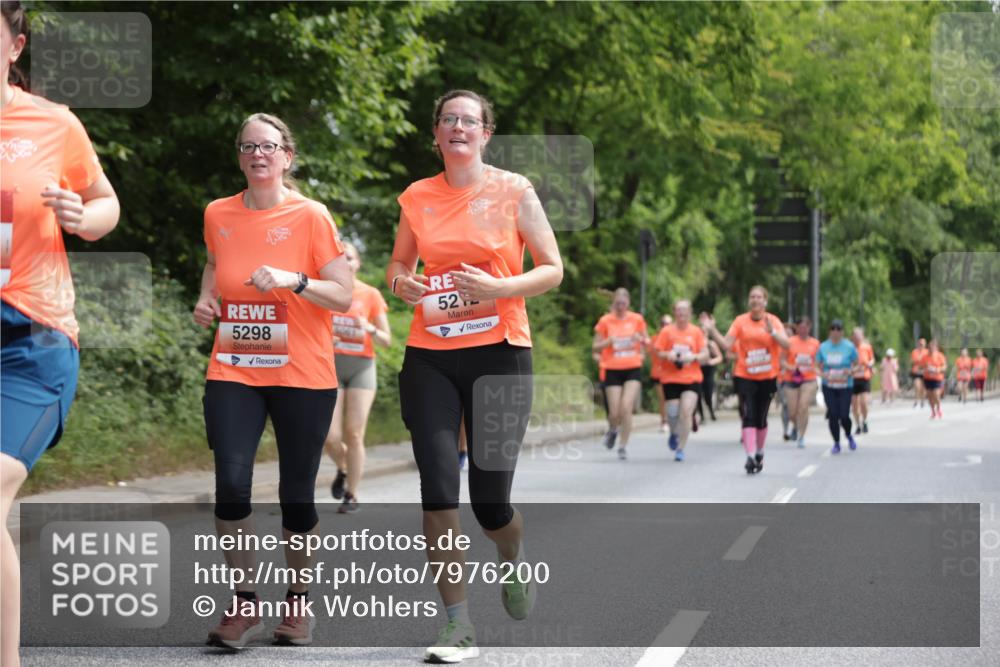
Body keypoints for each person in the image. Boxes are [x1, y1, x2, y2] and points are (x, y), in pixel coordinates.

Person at [387, 89, 563, 663]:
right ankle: (457, 625)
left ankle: (511, 559)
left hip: (500, 353)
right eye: (448, 119)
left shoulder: (514, 190)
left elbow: (552, 269)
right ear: (436, 133)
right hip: (431, 354)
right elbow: (399, 264)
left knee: (490, 505)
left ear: (486, 134)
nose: (457, 127)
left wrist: (499, 287)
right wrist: (401, 283)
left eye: (468, 120)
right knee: (438, 489)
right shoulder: (417, 196)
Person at [193, 113, 353, 648]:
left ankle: (298, 603)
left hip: (302, 373)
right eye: (247, 146)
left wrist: (295, 280)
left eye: (268, 146)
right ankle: (244, 605)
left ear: (287, 156)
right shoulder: (218, 212)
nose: (257, 154)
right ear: (239, 156)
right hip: (234, 367)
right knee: (231, 485)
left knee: (296, 496)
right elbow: (214, 263)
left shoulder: (311, 215)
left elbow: (343, 295)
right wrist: (207, 296)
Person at [1, 5, 120, 664]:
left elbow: (106, 202)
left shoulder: (53, 123)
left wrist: (84, 215)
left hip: (32, 339)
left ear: (15, 46)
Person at [324, 242, 391, 514]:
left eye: (349, 258)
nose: (345, 262)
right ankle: (343, 468)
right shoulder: (325, 291)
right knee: (329, 437)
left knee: (354, 433)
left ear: (358, 263)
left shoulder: (370, 294)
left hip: (361, 367)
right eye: (339, 258)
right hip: (330, 366)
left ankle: (352, 494)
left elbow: (386, 340)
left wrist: (370, 328)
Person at [700, 285, 790, 474]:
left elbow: (787, 344)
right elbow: (726, 345)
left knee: (761, 417)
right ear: (749, 301)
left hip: (767, 376)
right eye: (752, 297)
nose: (755, 300)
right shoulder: (740, 321)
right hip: (745, 375)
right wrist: (712, 330)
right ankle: (749, 456)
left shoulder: (772, 321)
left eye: (759, 297)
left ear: (765, 301)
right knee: (748, 414)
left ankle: (759, 451)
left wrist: (773, 332)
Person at [593, 288, 649, 460]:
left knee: (626, 407)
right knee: (614, 412)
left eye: (623, 303)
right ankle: (613, 429)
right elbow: (595, 347)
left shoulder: (637, 319)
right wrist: (608, 342)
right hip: (612, 368)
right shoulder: (605, 321)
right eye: (617, 303)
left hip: (632, 367)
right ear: (613, 303)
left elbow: (647, 342)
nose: (620, 307)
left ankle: (623, 446)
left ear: (628, 303)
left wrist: (641, 342)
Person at [654, 300, 708, 462]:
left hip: (691, 378)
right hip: (670, 378)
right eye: (678, 310)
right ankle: (673, 433)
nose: (681, 313)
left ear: (690, 313)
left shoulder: (696, 332)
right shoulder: (667, 331)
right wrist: (668, 355)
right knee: (672, 414)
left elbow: (705, 354)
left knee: (685, 412)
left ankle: (680, 448)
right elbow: (658, 351)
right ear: (674, 313)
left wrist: (694, 357)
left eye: (684, 310)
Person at [816, 319, 859, 454]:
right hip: (829, 385)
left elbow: (857, 364)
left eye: (838, 329)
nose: (835, 332)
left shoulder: (849, 347)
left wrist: (851, 371)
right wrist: (822, 374)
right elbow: (816, 366)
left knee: (844, 415)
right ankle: (836, 442)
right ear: (829, 331)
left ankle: (848, 434)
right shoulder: (823, 347)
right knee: (833, 414)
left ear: (842, 332)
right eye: (833, 329)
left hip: (845, 385)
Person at [780, 316, 820, 449]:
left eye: (806, 327)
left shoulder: (815, 344)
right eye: (801, 327)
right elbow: (781, 361)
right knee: (792, 412)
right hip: (791, 378)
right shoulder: (789, 342)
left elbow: (819, 362)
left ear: (810, 328)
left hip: (809, 378)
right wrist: (792, 368)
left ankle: (801, 436)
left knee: (803, 406)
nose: (803, 330)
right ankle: (797, 425)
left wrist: (817, 369)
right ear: (796, 328)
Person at [850, 327, 875, 434]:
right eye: (855, 336)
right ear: (852, 337)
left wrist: (869, 364)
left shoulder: (867, 347)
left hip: (864, 377)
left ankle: (864, 421)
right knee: (854, 405)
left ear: (862, 336)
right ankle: (858, 425)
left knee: (863, 403)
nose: (857, 338)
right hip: (852, 378)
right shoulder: (849, 348)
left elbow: (872, 359)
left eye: (859, 336)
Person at [650, 314, 672, 432]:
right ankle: (664, 421)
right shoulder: (654, 339)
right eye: (664, 324)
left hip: (674, 373)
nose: (666, 326)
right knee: (663, 398)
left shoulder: (675, 338)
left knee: (673, 399)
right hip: (658, 373)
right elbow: (647, 351)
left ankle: (674, 420)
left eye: (669, 324)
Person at [777, 321, 797, 441]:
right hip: (781, 379)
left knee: (794, 406)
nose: (787, 336)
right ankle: (785, 430)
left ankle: (795, 428)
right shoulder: (777, 346)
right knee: (785, 404)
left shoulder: (797, 346)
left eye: (789, 334)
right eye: (785, 334)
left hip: (795, 379)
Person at [697, 338, 723, 423]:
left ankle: (711, 410)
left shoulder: (711, 344)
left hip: (708, 371)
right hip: (698, 370)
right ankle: (701, 415)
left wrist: (711, 361)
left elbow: (719, 357)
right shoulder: (695, 342)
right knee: (698, 394)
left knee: (708, 393)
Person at [922, 339, 947, 419]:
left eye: (933, 346)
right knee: (930, 396)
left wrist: (937, 369)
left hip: (937, 378)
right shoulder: (925, 357)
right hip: (928, 378)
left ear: (936, 347)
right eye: (930, 346)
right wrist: (926, 369)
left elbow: (944, 367)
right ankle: (933, 411)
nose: (931, 348)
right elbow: (921, 367)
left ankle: (938, 408)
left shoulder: (940, 355)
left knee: (936, 394)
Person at [910, 338, 927, 407]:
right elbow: (912, 360)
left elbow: (927, 361)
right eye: (920, 344)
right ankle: (916, 400)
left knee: (923, 387)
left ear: (925, 345)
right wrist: (918, 360)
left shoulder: (927, 352)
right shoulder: (914, 351)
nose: (921, 345)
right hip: (916, 371)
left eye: (922, 344)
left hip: (924, 371)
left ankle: (922, 400)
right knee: (917, 386)